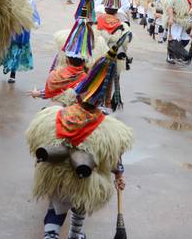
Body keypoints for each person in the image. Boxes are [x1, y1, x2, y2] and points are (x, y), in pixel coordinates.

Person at [25, 42, 132, 239]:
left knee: (56, 204)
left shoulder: (53, 116)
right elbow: (114, 159)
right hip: (85, 179)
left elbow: (34, 142)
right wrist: (119, 175)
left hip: (56, 172)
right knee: (82, 202)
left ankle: (51, 235)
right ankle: (75, 234)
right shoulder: (108, 129)